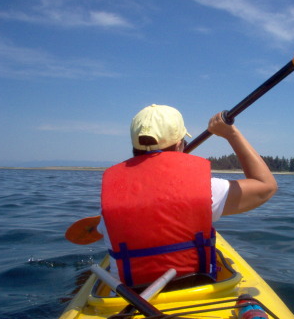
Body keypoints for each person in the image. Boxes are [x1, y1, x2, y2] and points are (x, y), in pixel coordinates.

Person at [97, 104, 277, 286]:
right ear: (179, 143)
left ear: (135, 145)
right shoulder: (208, 190)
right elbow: (266, 186)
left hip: (127, 297)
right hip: (195, 290)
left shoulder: (112, 197)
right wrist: (231, 134)